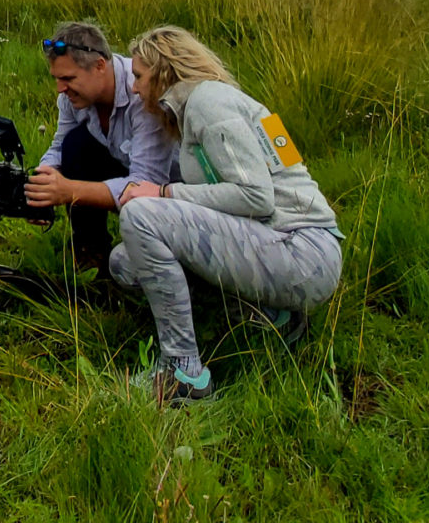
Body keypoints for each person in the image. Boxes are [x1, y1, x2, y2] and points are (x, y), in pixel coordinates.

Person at [109, 25, 343, 405]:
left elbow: (256, 196)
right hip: (280, 245)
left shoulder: (208, 103)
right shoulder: (202, 106)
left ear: (165, 71)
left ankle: (184, 374)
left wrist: (165, 193)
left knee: (140, 216)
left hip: (303, 251)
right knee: (126, 262)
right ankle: (271, 318)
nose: (134, 88)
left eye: (139, 76)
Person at [19, 21, 176, 278]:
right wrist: (42, 181)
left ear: (100, 66)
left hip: (171, 191)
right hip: (126, 167)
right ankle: (90, 255)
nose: (60, 89)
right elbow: (60, 145)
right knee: (75, 144)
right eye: (57, 79)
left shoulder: (142, 94)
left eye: (68, 79)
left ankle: (127, 267)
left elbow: (146, 185)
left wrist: (68, 191)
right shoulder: (73, 97)